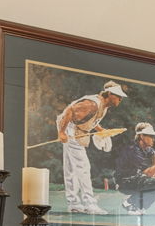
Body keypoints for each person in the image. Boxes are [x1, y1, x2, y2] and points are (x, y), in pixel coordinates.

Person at [54, 81, 126, 214]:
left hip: (76, 129)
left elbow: (89, 120)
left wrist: (100, 130)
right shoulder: (93, 103)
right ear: (109, 94)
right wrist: (62, 132)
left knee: (71, 168)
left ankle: (73, 203)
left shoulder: (104, 106)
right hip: (71, 129)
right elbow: (70, 111)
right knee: (83, 167)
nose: (120, 99)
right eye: (118, 96)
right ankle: (89, 204)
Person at [117, 122, 155, 213]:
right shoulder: (134, 150)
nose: (153, 139)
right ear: (142, 136)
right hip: (124, 182)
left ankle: (139, 207)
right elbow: (148, 173)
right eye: (150, 136)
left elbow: (154, 155)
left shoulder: (146, 148)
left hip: (135, 178)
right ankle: (130, 202)